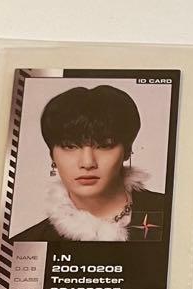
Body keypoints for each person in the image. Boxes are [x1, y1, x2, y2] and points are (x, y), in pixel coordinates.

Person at [11, 84, 165, 243]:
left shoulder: (170, 213)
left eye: (104, 145)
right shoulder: (29, 244)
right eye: (70, 146)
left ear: (127, 151)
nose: (87, 163)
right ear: (52, 156)